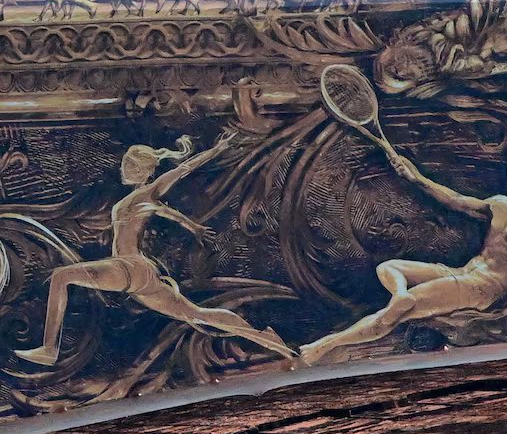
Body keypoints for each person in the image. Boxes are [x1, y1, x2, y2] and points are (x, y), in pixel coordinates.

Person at [15, 131, 297, 368]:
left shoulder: (148, 192)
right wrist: (191, 226)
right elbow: (164, 211)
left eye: (129, 165)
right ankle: (265, 338)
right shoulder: (138, 198)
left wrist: (217, 149)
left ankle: (49, 349)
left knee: (62, 276)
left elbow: (183, 170)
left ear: (144, 170)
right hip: (138, 273)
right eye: (125, 163)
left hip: (129, 267)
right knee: (195, 313)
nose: (124, 168)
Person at [300, 144, 507, 364]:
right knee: (389, 268)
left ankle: (324, 346)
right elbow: (455, 200)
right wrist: (416, 177)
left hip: (485, 287)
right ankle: (400, 294)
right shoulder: (499, 204)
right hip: (464, 272)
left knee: (396, 314)